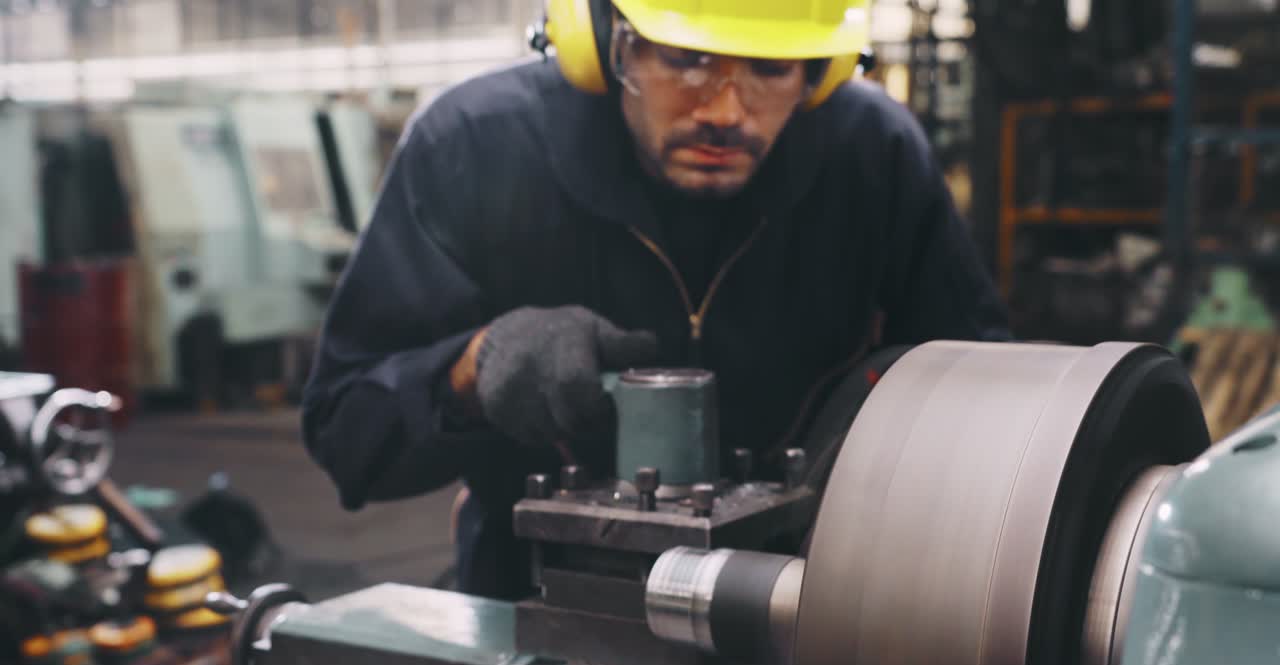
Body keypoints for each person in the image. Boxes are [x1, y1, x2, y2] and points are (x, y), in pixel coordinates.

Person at [301, 0, 1012, 600]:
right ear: (604, 40)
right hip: (534, 593)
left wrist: (893, 412)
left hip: (799, 599)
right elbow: (347, 433)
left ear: (820, 74)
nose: (726, 110)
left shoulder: (873, 153)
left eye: (769, 69)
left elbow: (991, 405)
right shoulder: (473, 148)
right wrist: (474, 369)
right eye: (686, 59)